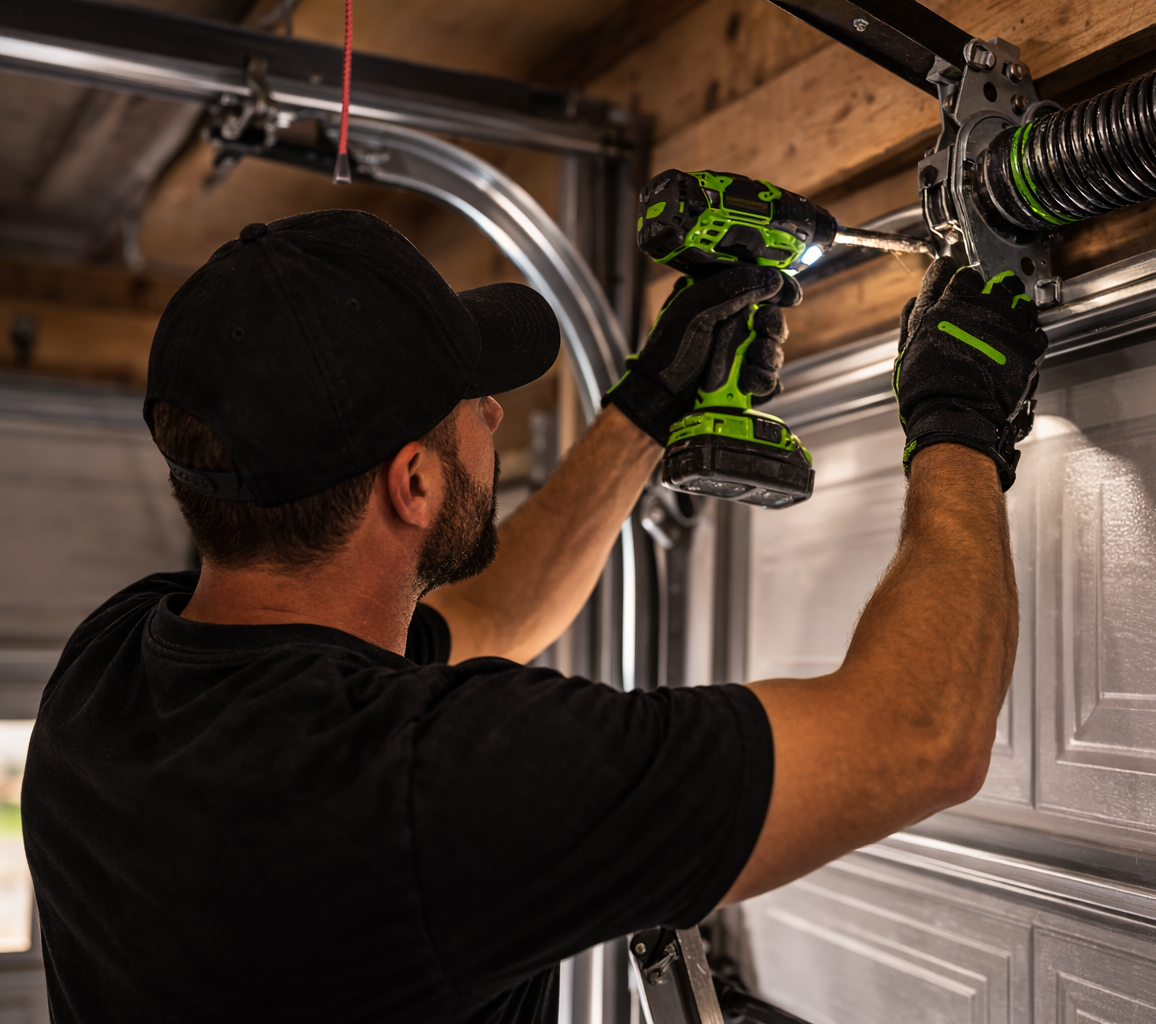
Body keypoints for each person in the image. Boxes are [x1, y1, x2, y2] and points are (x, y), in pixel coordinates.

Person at [22, 209, 1047, 1022]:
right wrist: (956, 420)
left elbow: (489, 618)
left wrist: (648, 408)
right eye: (472, 399)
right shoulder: (428, 791)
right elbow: (923, 734)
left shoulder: (114, 672)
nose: (495, 414)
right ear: (412, 484)